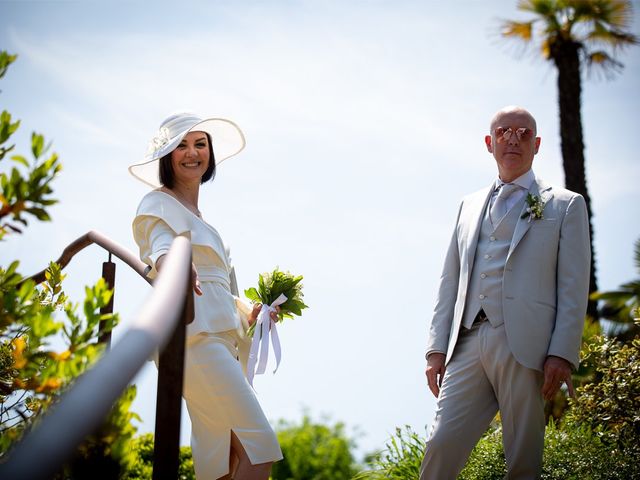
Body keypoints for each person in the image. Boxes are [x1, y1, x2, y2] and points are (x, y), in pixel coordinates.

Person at [420, 105, 590, 479]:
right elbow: (449, 280)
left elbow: (574, 286)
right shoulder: (468, 205)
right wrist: (436, 350)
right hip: (466, 342)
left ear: (537, 144)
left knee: (522, 458)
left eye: (524, 133)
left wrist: (562, 352)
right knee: (440, 443)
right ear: (489, 142)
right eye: (504, 132)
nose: (513, 138)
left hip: (526, 344)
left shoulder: (565, 204)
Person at [129, 112, 283, 480]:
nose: (192, 153)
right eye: (180, 145)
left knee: (224, 460)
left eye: (200, 144)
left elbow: (226, 295)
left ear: (210, 154)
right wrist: (176, 264)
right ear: (166, 156)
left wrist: (253, 314)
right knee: (259, 449)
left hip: (221, 340)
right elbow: (161, 248)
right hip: (193, 339)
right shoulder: (156, 203)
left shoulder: (208, 224)